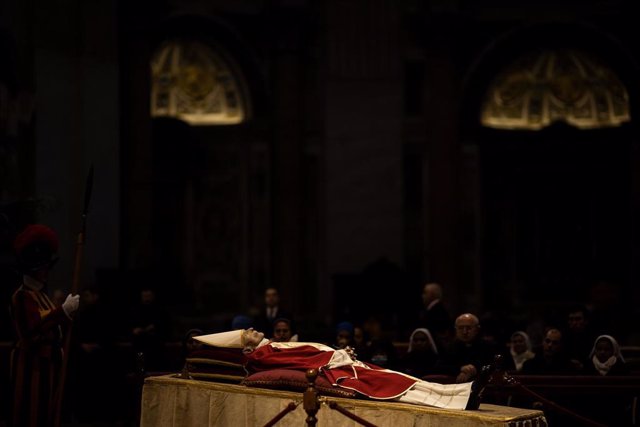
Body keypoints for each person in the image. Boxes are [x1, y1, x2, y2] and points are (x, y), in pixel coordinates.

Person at [194, 328, 493, 410]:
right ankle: (462, 399)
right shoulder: (264, 355)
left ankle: (464, 392)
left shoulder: (269, 345)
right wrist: (335, 359)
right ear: (246, 348)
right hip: (338, 373)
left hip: (342, 363)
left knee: (401, 378)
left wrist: (338, 354)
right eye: (248, 333)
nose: (254, 329)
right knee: (395, 388)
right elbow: (299, 362)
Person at [9, 224, 80, 427]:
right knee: (32, 416)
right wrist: (63, 312)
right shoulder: (22, 296)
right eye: (42, 267)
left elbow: (53, 329)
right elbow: (33, 328)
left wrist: (65, 318)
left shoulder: (41, 296)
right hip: (33, 369)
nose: (46, 271)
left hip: (47, 369)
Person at [437, 313, 497, 383]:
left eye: (468, 328)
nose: (464, 332)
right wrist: (461, 369)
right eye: (460, 328)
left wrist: (474, 369)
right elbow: (439, 367)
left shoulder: (488, 346)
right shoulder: (450, 347)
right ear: (455, 329)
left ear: (477, 329)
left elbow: (493, 365)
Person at [417, 283, 453, 351]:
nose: (422, 296)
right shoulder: (434, 309)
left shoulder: (438, 310)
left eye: (425, 293)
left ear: (432, 294)